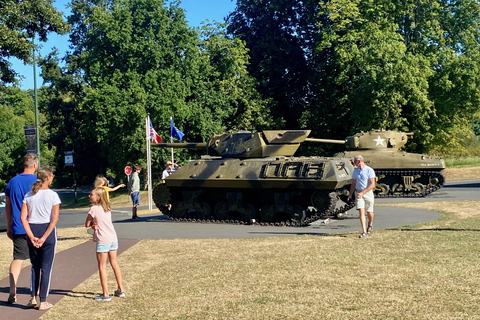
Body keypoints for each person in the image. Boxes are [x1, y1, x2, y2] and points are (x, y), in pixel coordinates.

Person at [20, 167, 61, 310]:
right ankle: (43, 301)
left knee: (34, 266)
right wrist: (43, 237)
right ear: (48, 178)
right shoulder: (53, 195)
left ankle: (33, 297)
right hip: (47, 231)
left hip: (32, 229)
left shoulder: (28, 195)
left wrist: (31, 236)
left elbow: (23, 218)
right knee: (46, 267)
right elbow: (54, 219)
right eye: (52, 176)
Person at [4, 153, 38, 304]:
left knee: (17, 259)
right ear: (35, 165)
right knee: (37, 261)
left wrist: (9, 225)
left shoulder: (12, 182)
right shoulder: (38, 182)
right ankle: (35, 293)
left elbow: (8, 206)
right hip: (35, 226)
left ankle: (13, 290)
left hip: (18, 226)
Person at [85, 187, 125, 301]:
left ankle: (105, 294)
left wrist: (93, 224)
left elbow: (87, 224)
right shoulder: (107, 207)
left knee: (102, 267)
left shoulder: (93, 209)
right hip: (113, 238)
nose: (89, 196)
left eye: (91, 194)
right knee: (114, 263)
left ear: (97, 197)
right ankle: (120, 289)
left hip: (103, 240)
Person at [348, 155, 376, 238]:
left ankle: (370, 224)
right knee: (361, 211)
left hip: (367, 193)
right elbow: (354, 183)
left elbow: (373, 184)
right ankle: (364, 232)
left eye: (355, 162)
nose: (354, 164)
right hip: (358, 193)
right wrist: (350, 194)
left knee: (370, 212)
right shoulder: (355, 171)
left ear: (359, 161)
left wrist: (363, 192)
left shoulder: (369, 170)